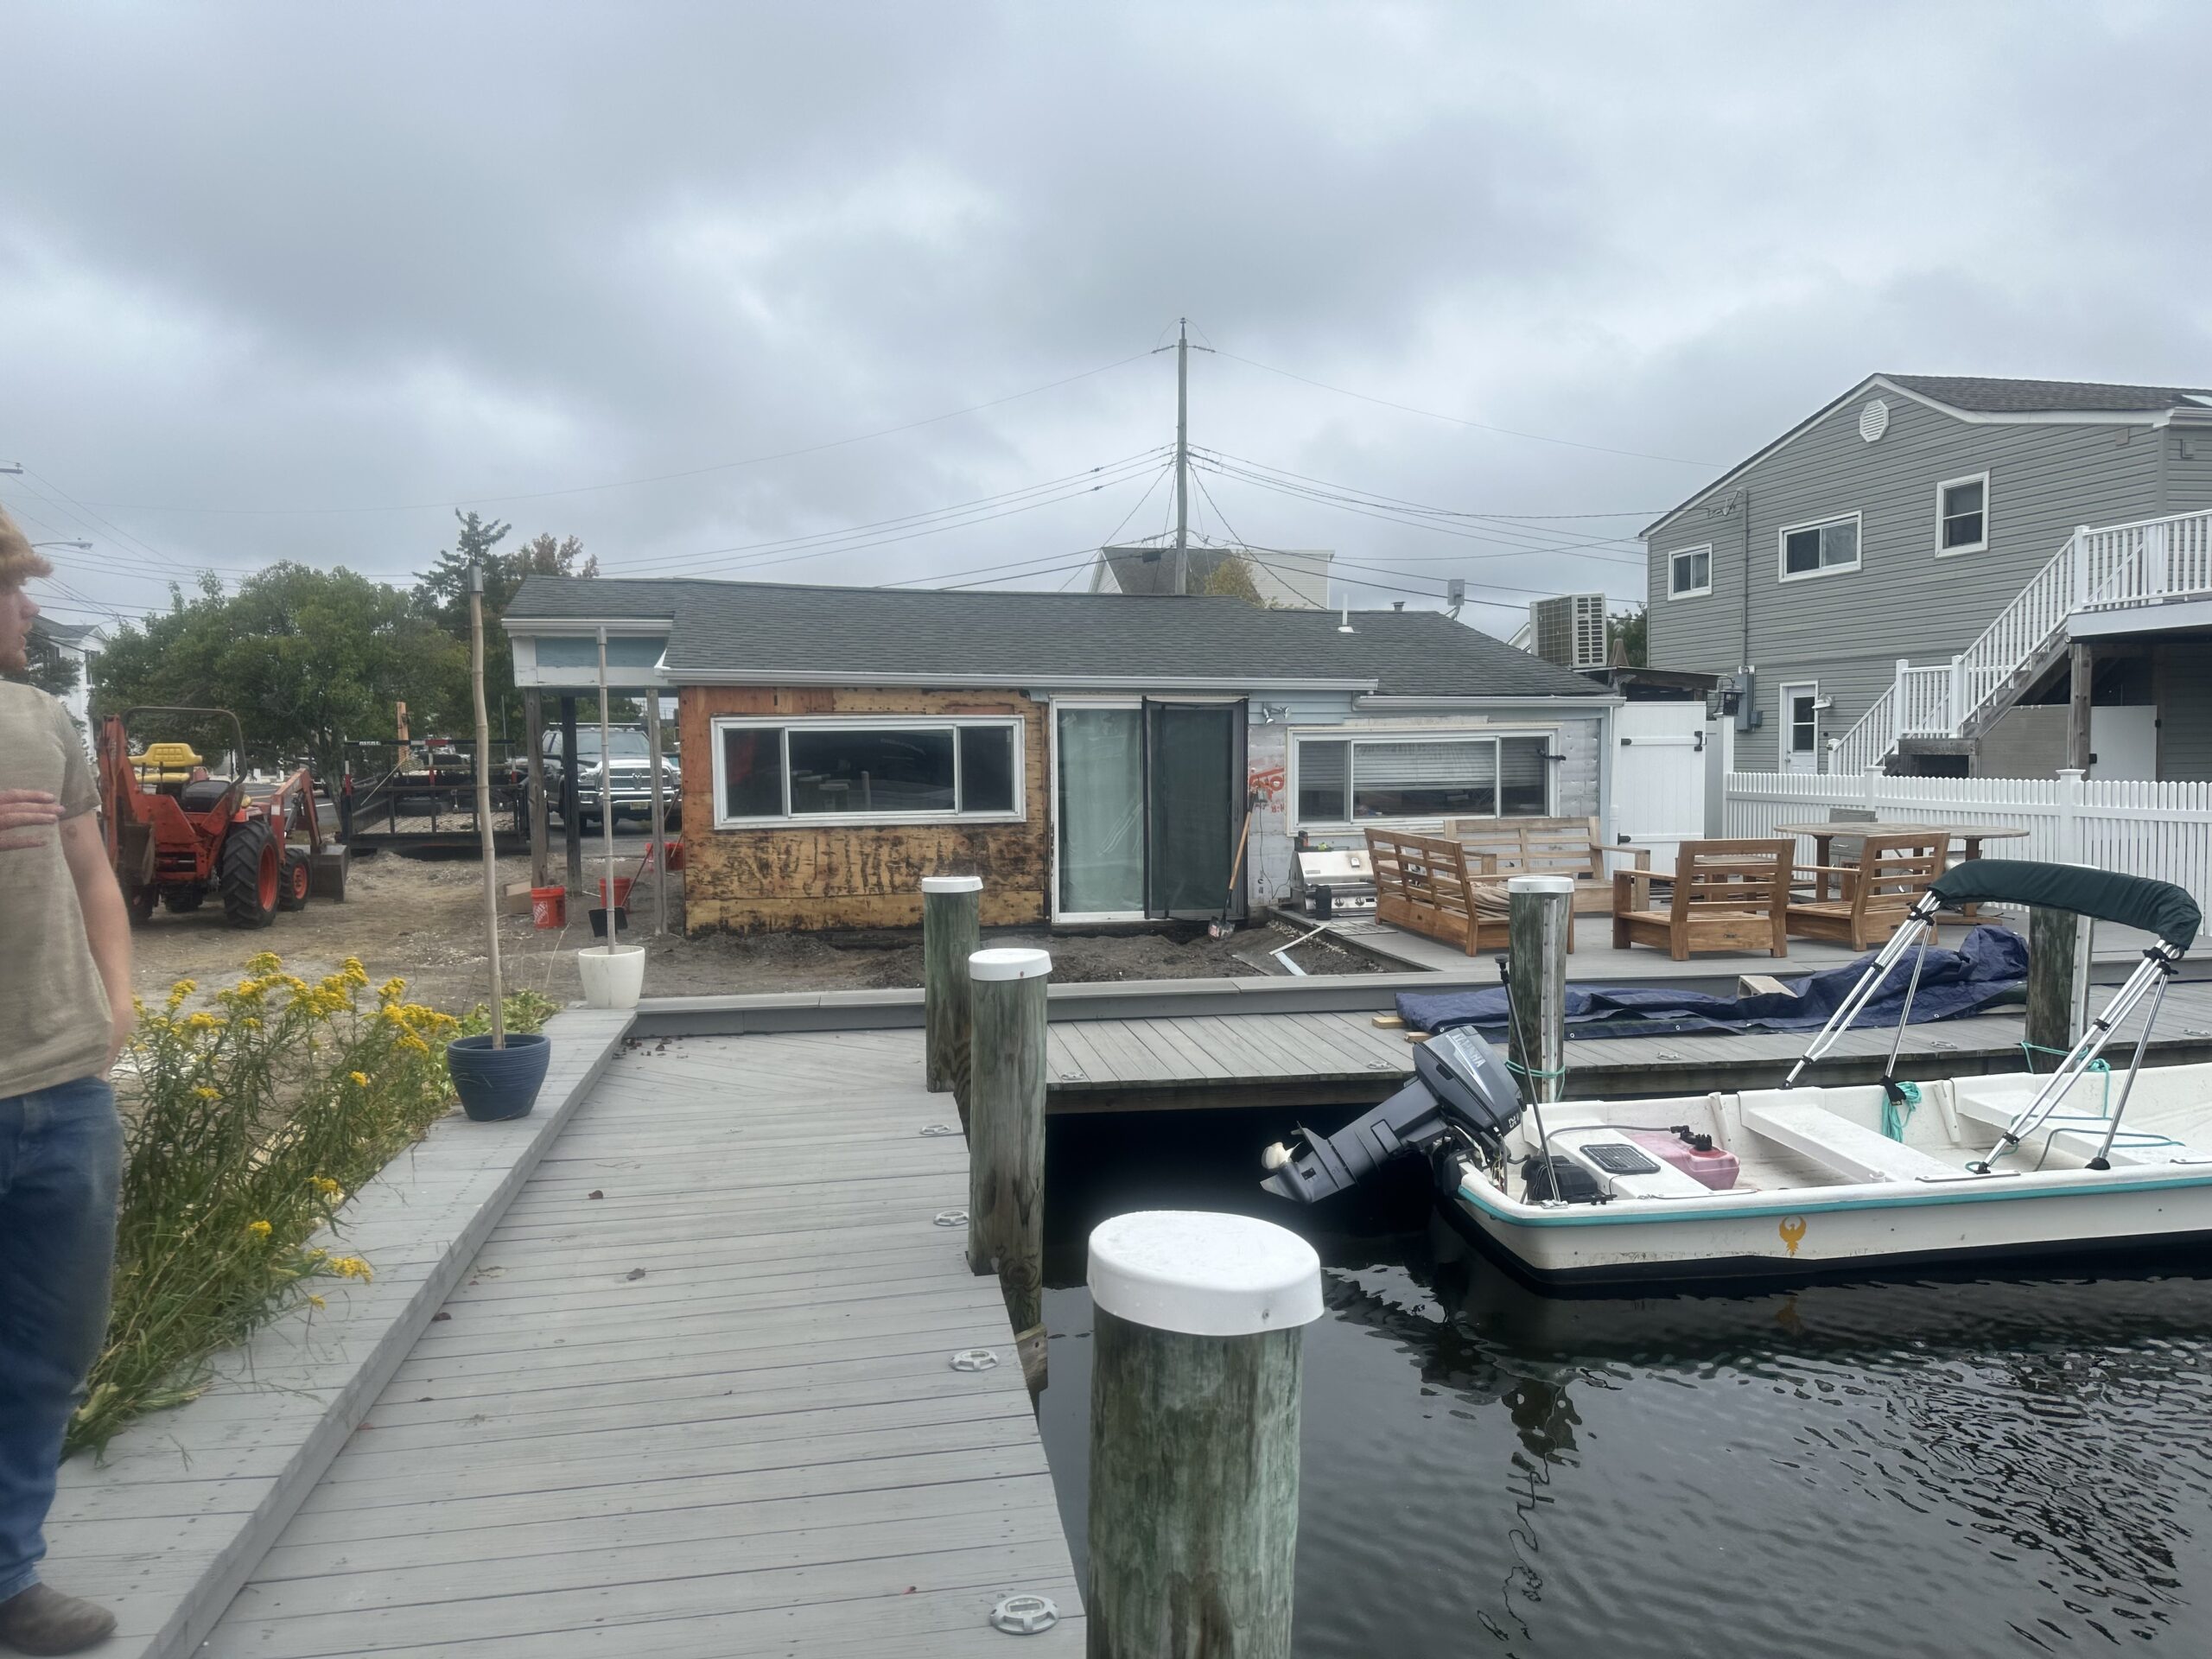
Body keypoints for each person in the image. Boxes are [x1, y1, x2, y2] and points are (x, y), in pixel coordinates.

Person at [0, 510, 130, 1654]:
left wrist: (118, 995)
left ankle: (8, 1578)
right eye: (13, 589)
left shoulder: (46, 723)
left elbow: (92, 867)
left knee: (46, 1351)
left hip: (62, 1087)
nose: (31, 609)